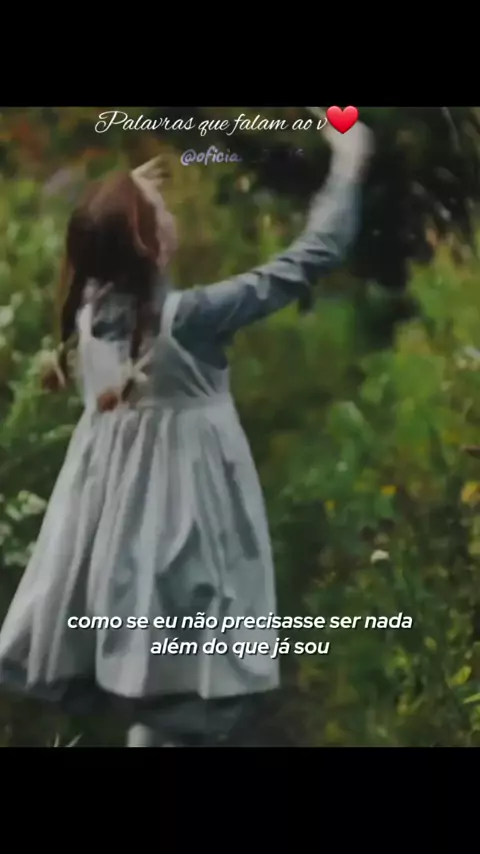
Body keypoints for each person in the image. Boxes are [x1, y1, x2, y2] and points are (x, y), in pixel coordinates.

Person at [0, 118, 373, 747]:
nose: (170, 213)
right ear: (149, 245)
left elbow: (104, 242)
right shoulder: (191, 319)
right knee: (191, 683)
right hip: (188, 518)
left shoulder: (91, 310)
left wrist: (123, 203)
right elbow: (312, 256)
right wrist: (350, 162)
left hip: (117, 526)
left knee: (156, 675)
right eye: (159, 211)